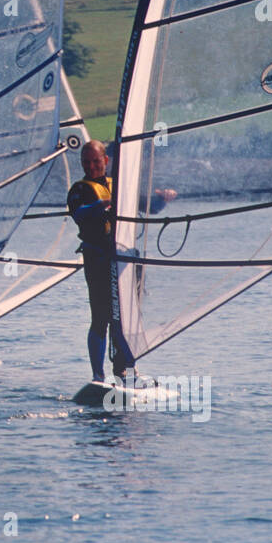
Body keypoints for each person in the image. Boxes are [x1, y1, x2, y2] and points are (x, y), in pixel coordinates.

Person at [66, 140, 176, 384]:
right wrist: (100, 205)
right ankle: (97, 376)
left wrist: (162, 199)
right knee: (101, 317)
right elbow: (79, 213)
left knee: (127, 316)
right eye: (86, 162)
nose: (92, 166)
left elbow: (148, 206)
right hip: (98, 260)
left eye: (96, 161)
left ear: (106, 161)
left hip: (125, 261)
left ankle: (126, 368)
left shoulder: (120, 185)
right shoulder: (79, 189)